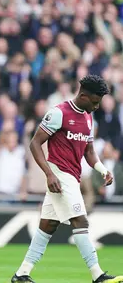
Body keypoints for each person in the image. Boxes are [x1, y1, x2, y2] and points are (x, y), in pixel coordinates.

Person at [11, 75, 123, 283]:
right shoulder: (58, 113)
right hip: (60, 175)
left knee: (48, 226)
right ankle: (98, 276)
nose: (97, 106)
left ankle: (21, 274)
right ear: (83, 95)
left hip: (73, 174)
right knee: (81, 221)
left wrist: (101, 169)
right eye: (95, 101)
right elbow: (35, 144)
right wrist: (49, 173)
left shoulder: (88, 117)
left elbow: (88, 151)